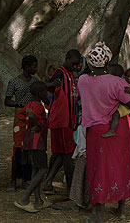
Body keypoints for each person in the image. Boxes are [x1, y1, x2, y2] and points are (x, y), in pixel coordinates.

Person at [78, 41, 130, 223]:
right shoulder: (117, 82)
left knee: (99, 169)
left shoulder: (82, 81)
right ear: (107, 63)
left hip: (95, 131)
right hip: (118, 130)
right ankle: (121, 210)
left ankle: (99, 213)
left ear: (89, 63)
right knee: (122, 165)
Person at [42, 49, 82, 194]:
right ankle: (71, 188)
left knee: (60, 153)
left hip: (69, 120)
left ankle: (47, 181)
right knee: (67, 154)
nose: (76, 66)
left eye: (78, 64)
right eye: (74, 63)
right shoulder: (60, 72)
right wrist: (51, 84)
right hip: (62, 120)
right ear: (67, 59)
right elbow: (45, 87)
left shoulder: (71, 75)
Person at [14, 81, 51, 212]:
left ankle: (38, 200)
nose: (47, 94)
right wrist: (36, 124)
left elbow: (21, 115)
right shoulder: (40, 107)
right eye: (45, 92)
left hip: (29, 141)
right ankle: (24, 198)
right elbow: (40, 123)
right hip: (37, 143)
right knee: (43, 170)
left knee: (36, 169)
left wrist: (28, 124)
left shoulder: (29, 104)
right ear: (40, 93)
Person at [4, 55, 39, 192]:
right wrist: (18, 103)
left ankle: (26, 179)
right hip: (20, 117)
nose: (35, 69)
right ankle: (13, 180)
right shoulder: (14, 82)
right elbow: (7, 101)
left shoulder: (35, 81)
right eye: (33, 66)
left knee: (29, 147)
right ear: (26, 67)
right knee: (18, 147)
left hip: (32, 116)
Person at [102, 63, 130, 138]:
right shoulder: (116, 82)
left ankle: (112, 130)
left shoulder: (119, 83)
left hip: (121, 108)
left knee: (115, 115)